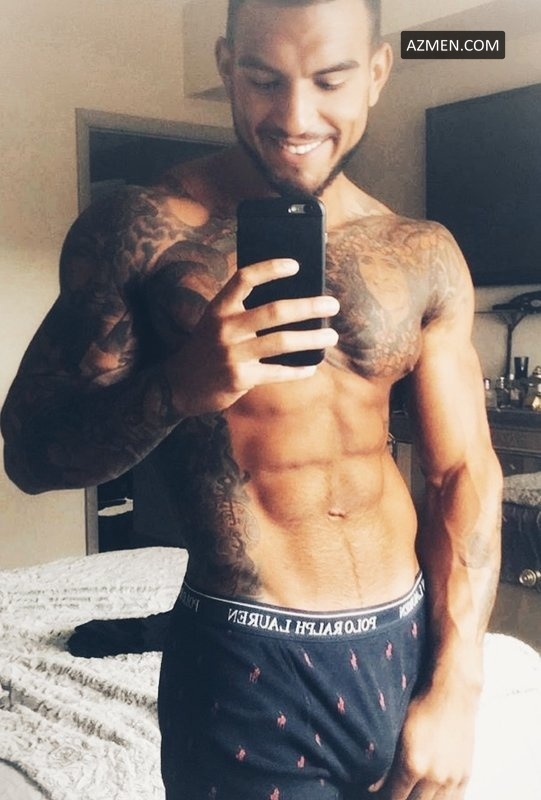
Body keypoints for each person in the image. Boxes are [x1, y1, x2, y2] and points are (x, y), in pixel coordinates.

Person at [1, 0, 502, 797]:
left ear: (377, 73)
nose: (295, 117)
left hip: (406, 646)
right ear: (226, 66)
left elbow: (462, 474)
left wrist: (458, 682)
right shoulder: (142, 234)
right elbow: (30, 456)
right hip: (245, 662)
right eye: (266, 80)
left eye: (329, 80)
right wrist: (179, 387)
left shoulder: (423, 253)